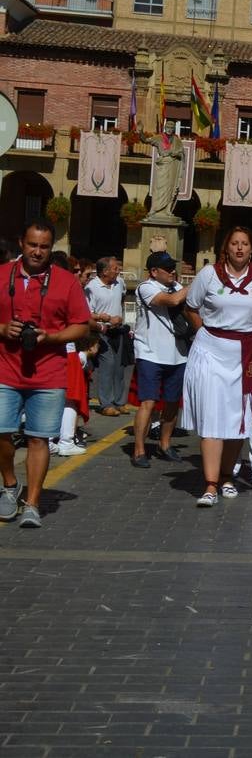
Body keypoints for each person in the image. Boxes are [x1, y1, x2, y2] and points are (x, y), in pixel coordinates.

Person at [181, 227, 252, 507]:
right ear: (226, 248)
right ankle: (210, 484)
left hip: (246, 353)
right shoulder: (208, 275)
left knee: (239, 417)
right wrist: (206, 332)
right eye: (234, 243)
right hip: (211, 349)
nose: (239, 248)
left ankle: (227, 476)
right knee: (212, 415)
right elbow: (191, 307)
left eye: (245, 244)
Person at [0, 221, 92, 528]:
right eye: (32, 245)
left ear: (51, 248)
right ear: (21, 244)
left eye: (44, 247)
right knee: (2, 434)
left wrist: (49, 337)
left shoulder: (66, 282)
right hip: (5, 369)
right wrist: (3, 329)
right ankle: (10, 484)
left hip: (49, 373)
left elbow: (82, 325)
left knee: (39, 439)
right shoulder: (1, 275)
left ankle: (33, 502)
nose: (37, 252)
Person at [130, 251, 189, 467]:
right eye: (167, 268)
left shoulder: (177, 287)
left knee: (173, 403)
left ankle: (165, 444)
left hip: (178, 353)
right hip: (150, 353)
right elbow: (171, 301)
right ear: (154, 272)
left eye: (174, 267)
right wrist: (197, 284)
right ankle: (139, 450)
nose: (173, 271)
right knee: (149, 402)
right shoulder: (146, 287)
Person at [85, 256, 131, 417]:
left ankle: (120, 402)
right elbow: (87, 313)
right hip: (101, 331)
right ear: (104, 272)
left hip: (118, 331)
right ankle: (106, 403)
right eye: (114, 268)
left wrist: (118, 316)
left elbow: (122, 298)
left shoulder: (120, 283)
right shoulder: (92, 287)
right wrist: (106, 318)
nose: (118, 270)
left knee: (119, 368)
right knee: (107, 365)